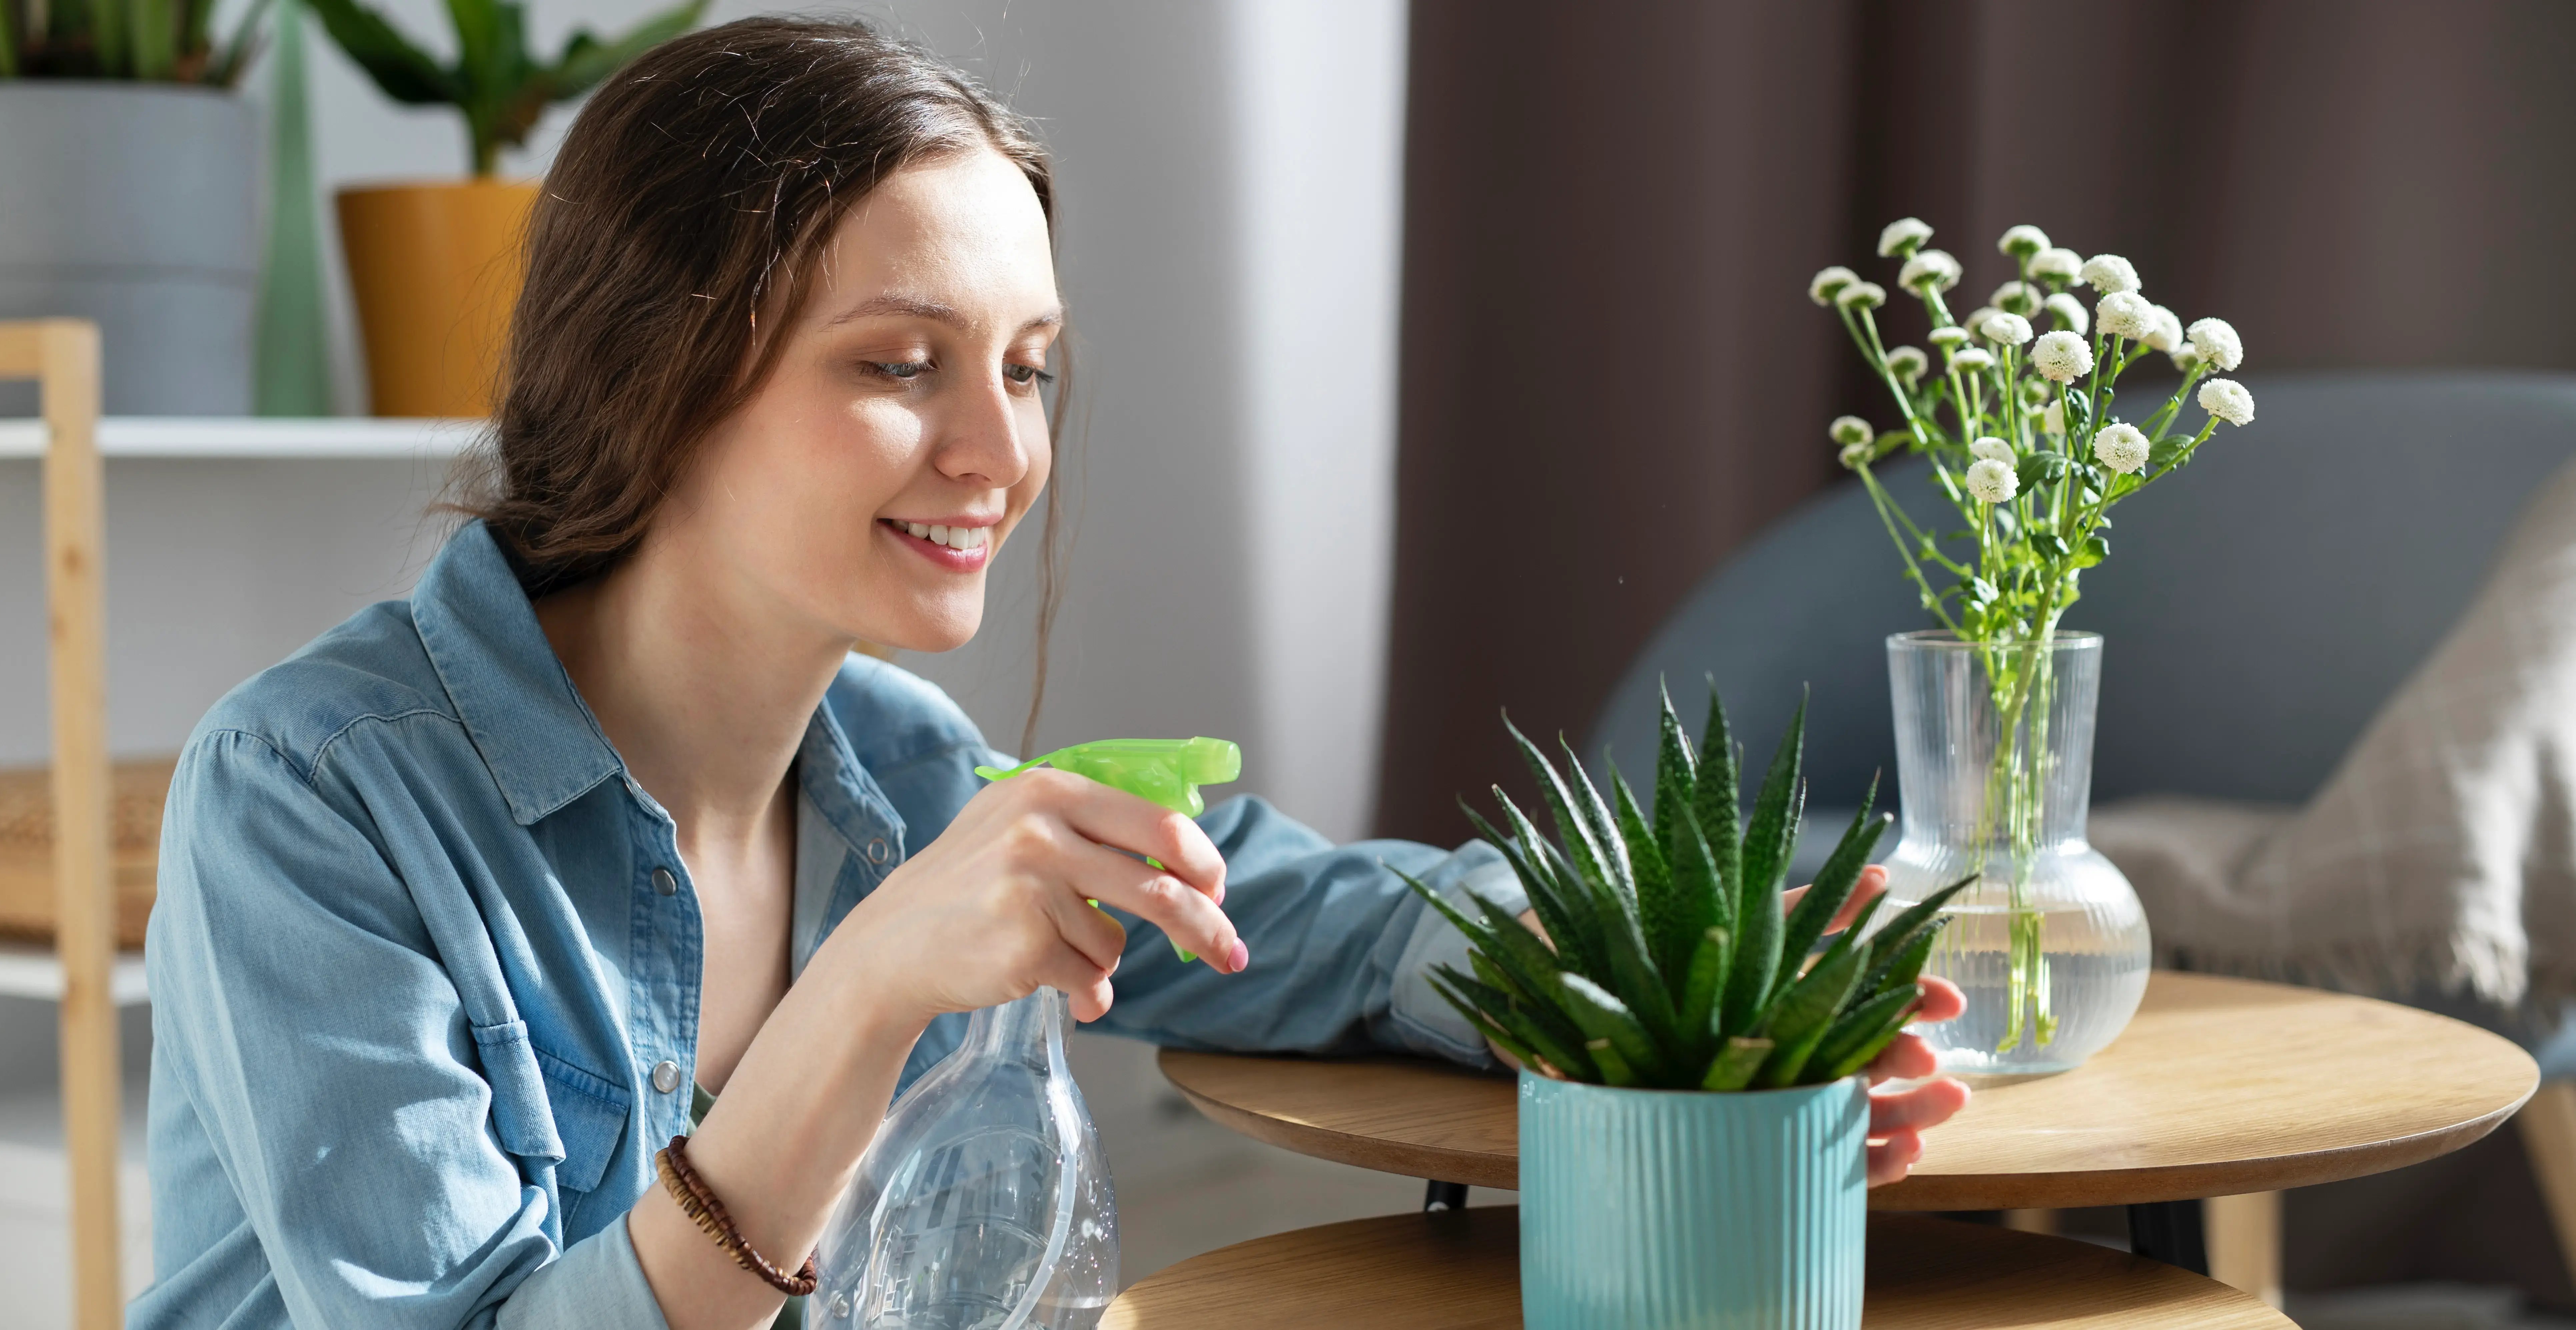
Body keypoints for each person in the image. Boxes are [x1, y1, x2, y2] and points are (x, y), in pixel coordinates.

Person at [133, 18, 1967, 1330]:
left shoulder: (897, 768)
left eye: (1024, 368)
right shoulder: (315, 791)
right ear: (653, 374)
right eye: (897, 362)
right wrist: (859, 995)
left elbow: (1317, 921)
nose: (999, 456)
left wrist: (1695, 993)